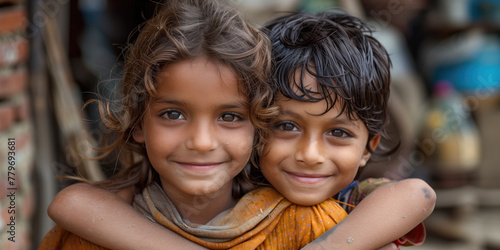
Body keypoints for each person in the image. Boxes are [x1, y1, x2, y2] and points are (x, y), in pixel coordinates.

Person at [40, 3, 436, 250]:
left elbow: (417, 193)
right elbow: (70, 204)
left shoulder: (338, 213)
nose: (201, 142)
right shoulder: (144, 201)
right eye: (286, 125)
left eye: (229, 116)